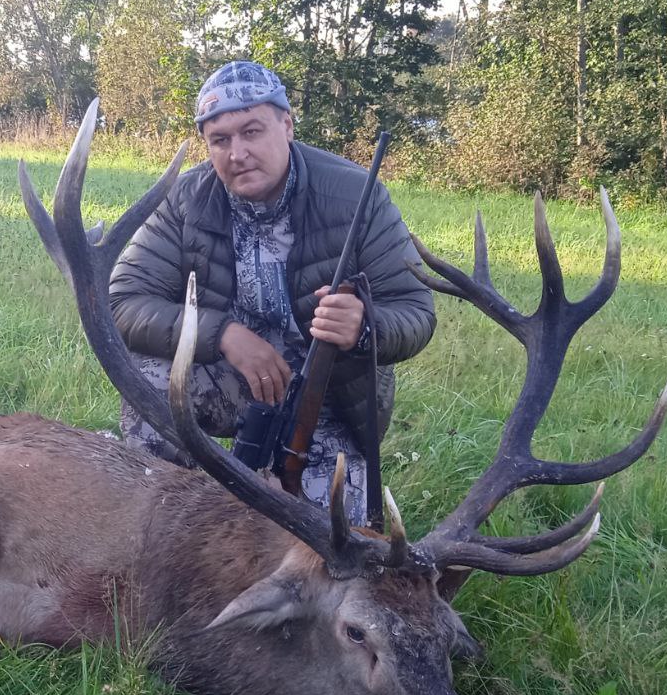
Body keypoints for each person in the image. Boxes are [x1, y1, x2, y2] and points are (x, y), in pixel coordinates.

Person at [109, 60, 434, 521]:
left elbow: (416, 309)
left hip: (328, 399)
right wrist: (222, 333)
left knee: (337, 551)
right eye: (219, 140)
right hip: (232, 377)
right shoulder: (187, 199)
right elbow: (124, 300)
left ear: (286, 125)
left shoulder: (357, 195)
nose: (236, 152)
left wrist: (363, 326)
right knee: (150, 376)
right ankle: (161, 520)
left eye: (252, 131)